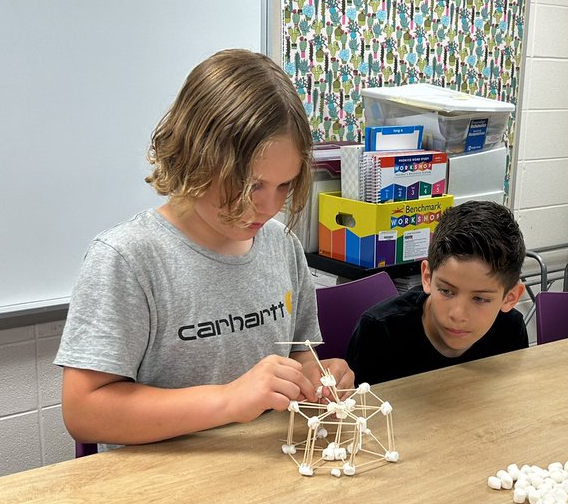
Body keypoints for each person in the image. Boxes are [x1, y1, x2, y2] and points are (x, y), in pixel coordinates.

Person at [55, 49, 353, 446]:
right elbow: (84, 411)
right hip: (164, 489)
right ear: (197, 158)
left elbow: (298, 353)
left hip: (265, 471)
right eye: (251, 186)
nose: (268, 207)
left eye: (285, 186)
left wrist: (314, 375)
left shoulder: (281, 245)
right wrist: (228, 399)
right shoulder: (128, 259)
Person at [345, 200, 527, 384]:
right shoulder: (379, 331)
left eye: (480, 298)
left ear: (510, 298)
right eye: (446, 291)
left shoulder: (510, 329)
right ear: (427, 276)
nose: (457, 314)